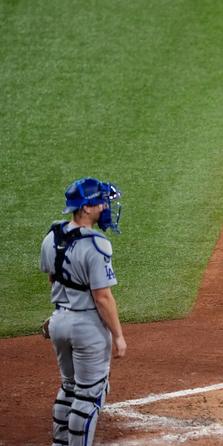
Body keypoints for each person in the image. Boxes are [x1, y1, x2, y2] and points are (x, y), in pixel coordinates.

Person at [40, 177, 126, 446]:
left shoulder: (52, 236)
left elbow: (53, 279)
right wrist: (119, 336)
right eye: (100, 202)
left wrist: (61, 315)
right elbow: (102, 297)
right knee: (89, 396)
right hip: (87, 327)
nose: (105, 207)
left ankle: (59, 443)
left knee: (69, 388)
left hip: (58, 322)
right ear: (86, 208)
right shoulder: (97, 245)